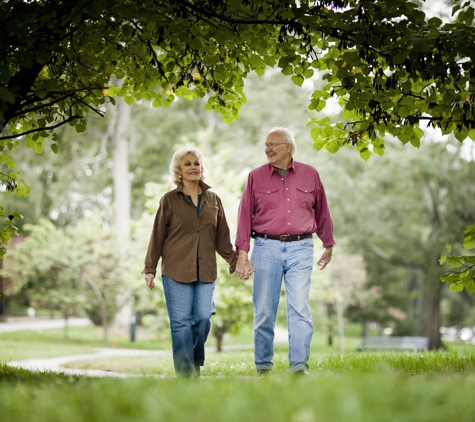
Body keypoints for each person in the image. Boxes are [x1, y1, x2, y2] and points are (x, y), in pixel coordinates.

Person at [235, 127, 335, 376]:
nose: (268, 149)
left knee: (300, 307)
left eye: (273, 144)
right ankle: (263, 366)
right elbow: (244, 215)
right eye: (266, 145)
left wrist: (328, 244)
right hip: (266, 246)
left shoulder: (310, 174)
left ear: (288, 147)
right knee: (265, 310)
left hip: (301, 247)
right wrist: (242, 253)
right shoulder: (255, 177)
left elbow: (322, 211)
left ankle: (299, 367)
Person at [142, 146, 237, 378]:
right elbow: (157, 236)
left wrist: (235, 261)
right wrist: (150, 268)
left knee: (203, 317)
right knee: (181, 323)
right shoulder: (169, 200)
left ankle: (193, 360)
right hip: (176, 270)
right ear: (179, 170)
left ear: (202, 168)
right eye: (187, 164)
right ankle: (186, 376)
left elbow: (222, 236)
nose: (193, 167)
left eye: (196, 163)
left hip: (206, 270)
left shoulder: (213, 199)